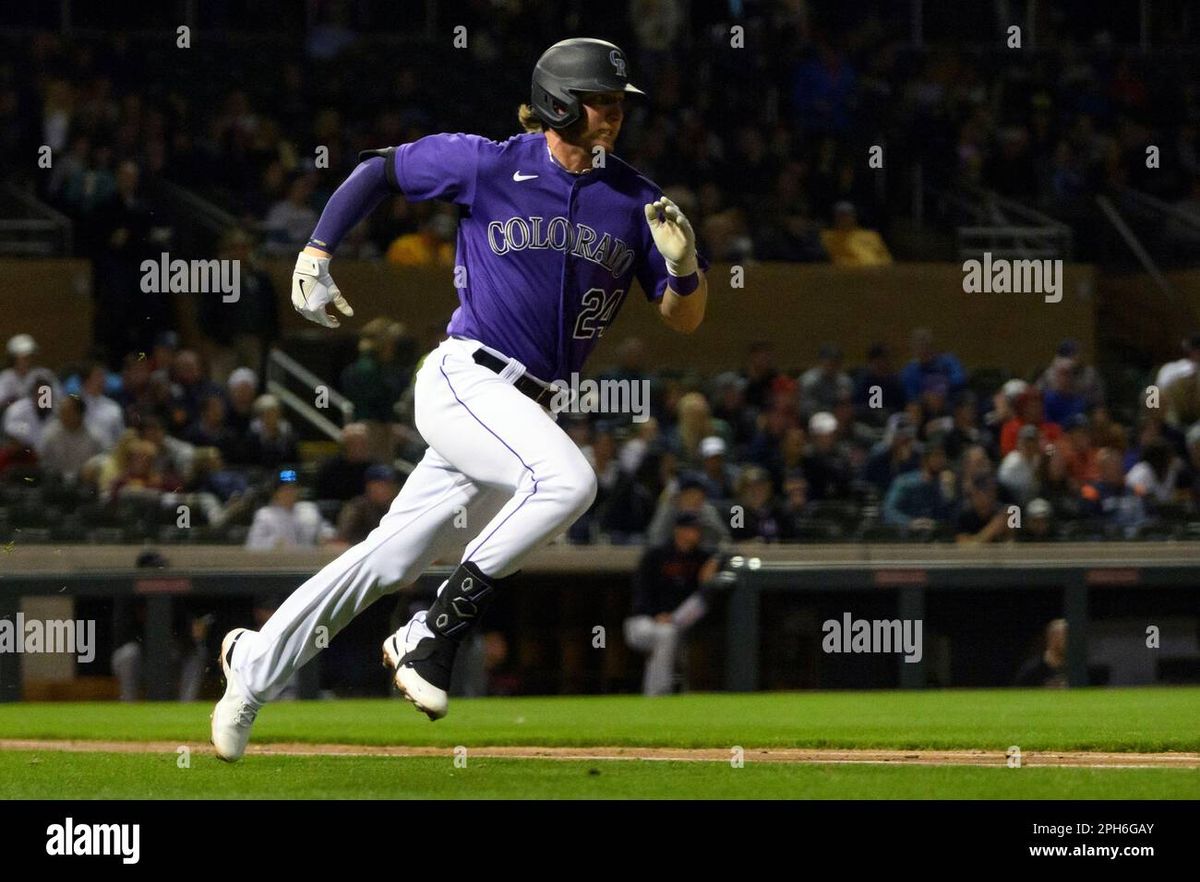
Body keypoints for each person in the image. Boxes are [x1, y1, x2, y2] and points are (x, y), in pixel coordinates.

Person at [212, 38, 710, 761]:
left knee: (388, 560)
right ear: (559, 103)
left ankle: (254, 663)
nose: (614, 114)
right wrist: (316, 250)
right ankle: (430, 634)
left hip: (525, 409)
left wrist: (688, 268)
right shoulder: (490, 162)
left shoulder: (633, 197)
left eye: (617, 103)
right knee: (568, 481)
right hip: (464, 377)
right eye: (602, 101)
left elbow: (683, 318)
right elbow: (379, 169)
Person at [624, 512, 722, 696]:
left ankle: (658, 693)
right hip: (642, 622)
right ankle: (659, 694)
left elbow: (732, 555)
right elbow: (641, 592)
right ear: (679, 530)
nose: (696, 534)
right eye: (692, 529)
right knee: (667, 634)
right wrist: (656, 614)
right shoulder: (656, 555)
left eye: (698, 530)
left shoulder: (701, 557)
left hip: (677, 622)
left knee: (669, 633)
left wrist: (716, 562)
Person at [245, 469, 336, 550]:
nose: (290, 492)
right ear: (276, 493)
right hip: (279, 564)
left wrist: (326, 536)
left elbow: (326, 531)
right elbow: (252, 546)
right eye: (285, 489)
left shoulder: (309, 509)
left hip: (308, 562)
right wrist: (273, 544)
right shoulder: (264, 515)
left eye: (293, 488)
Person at [1014, 618, 1068, 688]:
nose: (1070, 642)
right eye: (1065, 637)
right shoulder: (1032, 671)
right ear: (1053, 638)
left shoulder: (1075, 669)